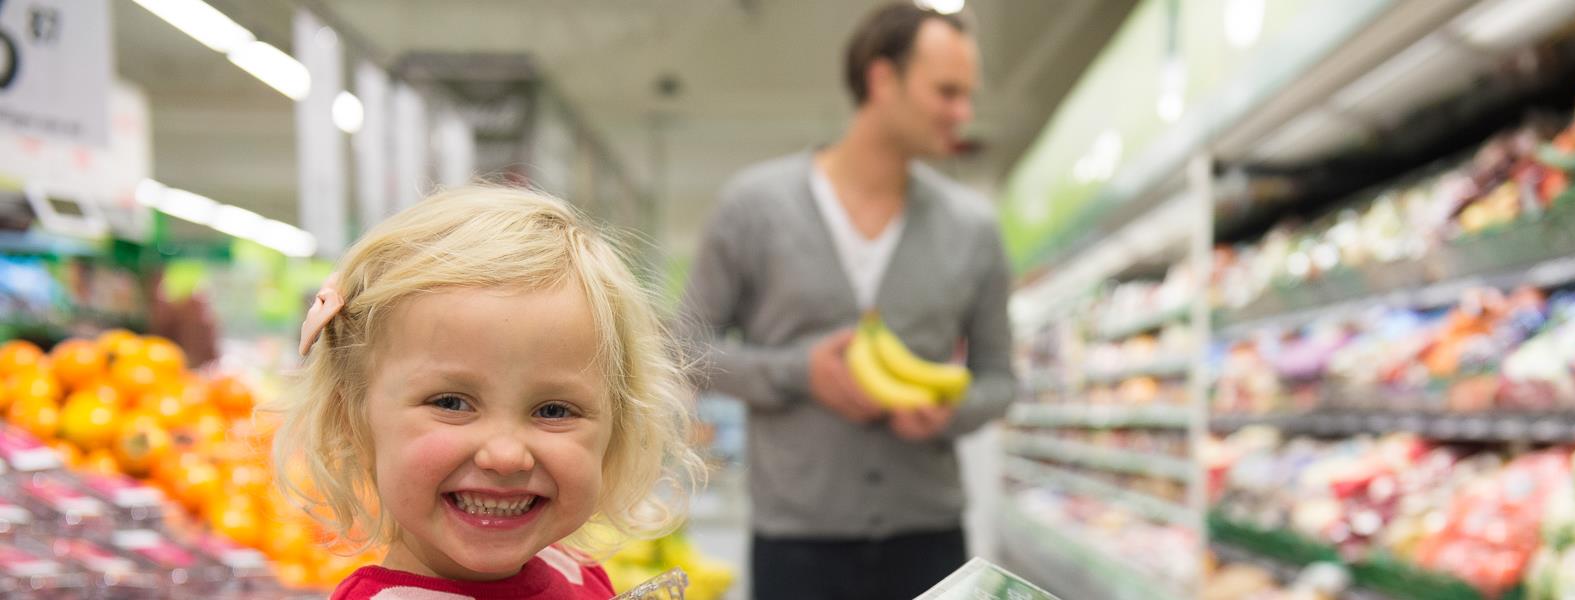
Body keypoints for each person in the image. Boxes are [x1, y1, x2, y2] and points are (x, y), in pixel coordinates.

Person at [681, 4, 1015, 599]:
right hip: (795, 543)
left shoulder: (973, 229)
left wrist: (951, 410)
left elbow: (998, 379)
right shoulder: (752, 208)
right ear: (882, 80)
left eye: (968, 95)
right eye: (947, 92)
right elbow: (684, 347)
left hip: (930, 536)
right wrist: (798, 372)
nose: (964, 113)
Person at [267, 184, 703, 599]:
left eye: (553, 410)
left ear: (617, 428)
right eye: (451, 403)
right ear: (351, 419)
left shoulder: (577, 572)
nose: (506, 455)